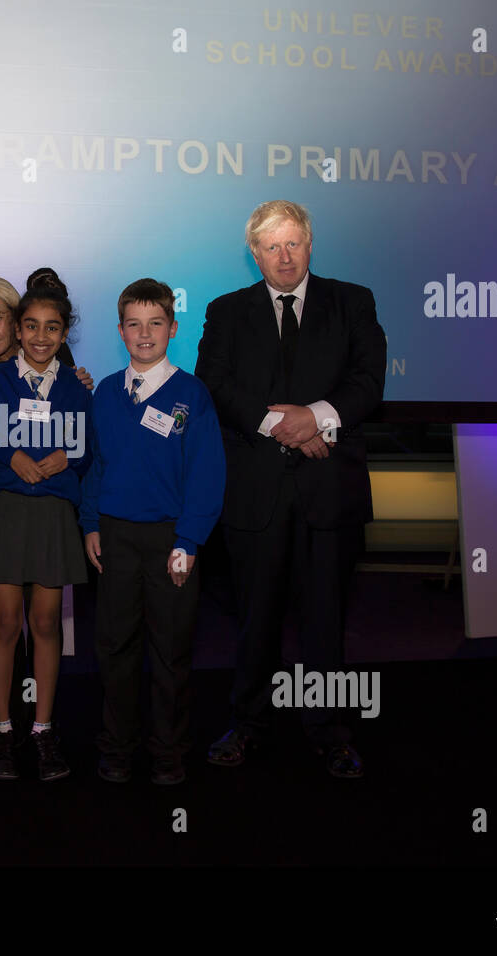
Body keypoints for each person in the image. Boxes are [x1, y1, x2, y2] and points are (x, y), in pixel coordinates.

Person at [195, 199, 386, 779]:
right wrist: (280, 424)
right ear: (254, 254)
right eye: (271, 246)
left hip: (330, 491)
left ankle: (330, 732)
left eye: (293, 243)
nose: (284, 257)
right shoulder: (226, 311)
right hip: (256, 492)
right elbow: (213, 382)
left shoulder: (353, 301)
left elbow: (368, 381)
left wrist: (317, 417)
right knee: (255, 620)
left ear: (310, 245)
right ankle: (248, 724)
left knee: (326, 619)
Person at [81, 279, 225, 785]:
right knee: (114, 647)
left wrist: (188, 540)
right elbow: (96, 465)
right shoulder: (104, 393)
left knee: (170, 650)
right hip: (115, 538)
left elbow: (207, 474)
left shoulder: (192, 394)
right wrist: (91, 522)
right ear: (121, 331)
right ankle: (117, 747)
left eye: (156, 323)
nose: (145, 334)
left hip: (171, 540)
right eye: (135, 324)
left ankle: (168, 751)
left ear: (173, 329)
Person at [0, 285, 92, 781]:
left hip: (52, 515)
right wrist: (12, 456)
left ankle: (44, 729)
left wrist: (69, 455)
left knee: (45, 624)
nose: (41, 336)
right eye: (31, 326)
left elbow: (86, 448)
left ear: (64, 335)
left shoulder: (76, 387)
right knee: (5, 624)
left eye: (52, 327)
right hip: (7, 510)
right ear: (17, 330)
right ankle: (2, 730)